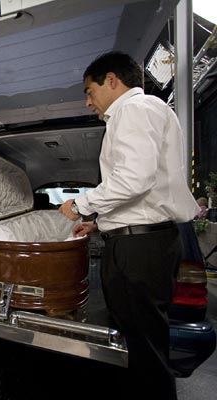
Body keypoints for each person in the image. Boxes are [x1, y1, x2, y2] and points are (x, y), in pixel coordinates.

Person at [58, 51, 199, 400]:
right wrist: (99, 225)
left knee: (145, 347)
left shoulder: (134, 109)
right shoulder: (141, 112)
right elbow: (138, 192)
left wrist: (79, 205)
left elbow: (133, 179)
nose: (89, 102)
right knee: (138, 341)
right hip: (138, 241)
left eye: (89, 91)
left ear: (111, 80)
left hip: (141, 248)